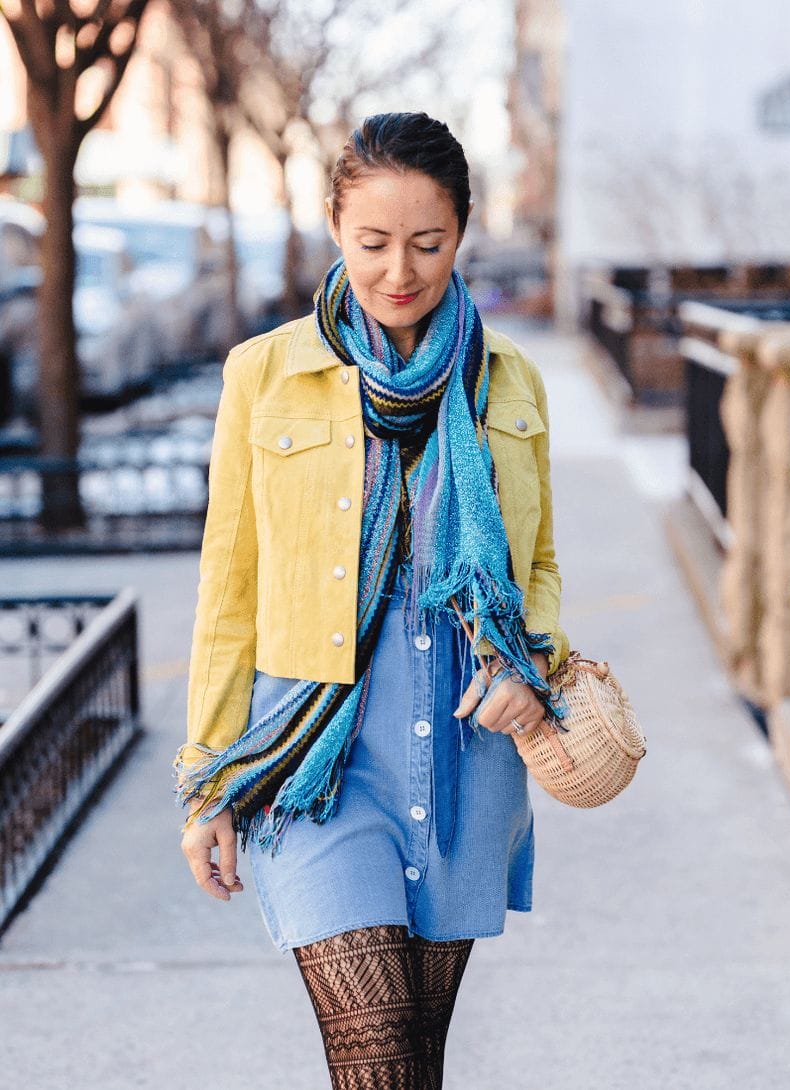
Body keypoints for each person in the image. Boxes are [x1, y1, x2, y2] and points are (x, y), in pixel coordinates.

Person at [174, 111, 570, 1090]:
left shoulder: (506, 379)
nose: (400, 270)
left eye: (427, 243)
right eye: (374, 243)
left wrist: (532, 666)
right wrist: (206, 779)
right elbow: (229, 587)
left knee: (412, 1065)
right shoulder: (265, 375)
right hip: (317, 761)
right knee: (377, 1067)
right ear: (335, 230)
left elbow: (540, 563)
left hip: (464, 762)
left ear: (460, 234)